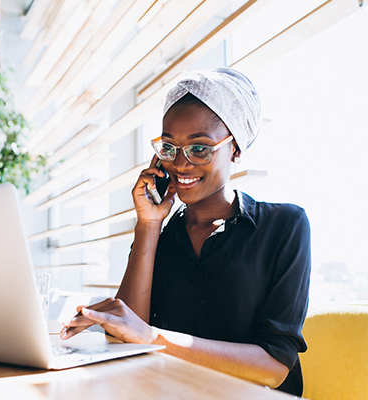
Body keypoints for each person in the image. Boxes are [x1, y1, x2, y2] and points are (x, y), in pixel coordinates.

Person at [60, 68, 311, 395]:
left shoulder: (284, 226)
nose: (180, 164)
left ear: (235, 149)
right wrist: (148, 225)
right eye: (169, 147)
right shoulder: (161, 239)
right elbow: (126, 336)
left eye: (200, 148)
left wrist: (154, 337)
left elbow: (275, 368)